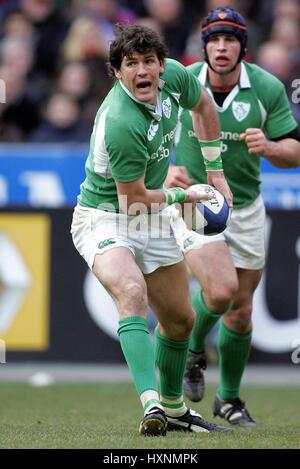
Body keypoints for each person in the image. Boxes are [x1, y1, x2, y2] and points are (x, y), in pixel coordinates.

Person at [71, 24, 233, 436]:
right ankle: (152, 405)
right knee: (131, 292)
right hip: (106, 216)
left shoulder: (176, 77)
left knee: (180, 322)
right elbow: (133, 200)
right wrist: (184, 197)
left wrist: (214, 172)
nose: (142, 70)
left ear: (161, 65)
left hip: (153, 213)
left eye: (148, 62)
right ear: (117, 72)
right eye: (131, 64)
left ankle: (176, 409)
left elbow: (205, 108)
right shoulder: (120, 121)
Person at [166, 7, 300, 427]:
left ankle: (229, 400)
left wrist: (272, 148)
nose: (221, 47)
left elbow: (294, 152)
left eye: (230, 40)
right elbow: (150, 132)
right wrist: (165, 169)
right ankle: (191, 349)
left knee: (241, 311)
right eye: (214, 39)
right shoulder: (182, 82)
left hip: (245, 207)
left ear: (244, 46)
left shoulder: (266, 87)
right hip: (196, 202)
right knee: (220, 294)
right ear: (203, 45)